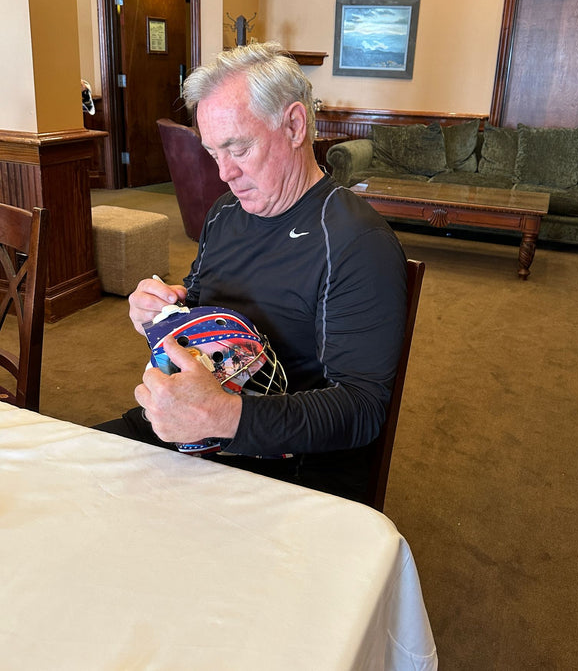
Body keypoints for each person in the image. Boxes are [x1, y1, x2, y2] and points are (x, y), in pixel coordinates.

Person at [96, 41, 408, 502]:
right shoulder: (225, 213)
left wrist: (224, 417)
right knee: (59, 476)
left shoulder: (356, 243)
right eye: (212, 152)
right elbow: (199, 302)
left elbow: (361, 410)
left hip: (287, 469)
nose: (224, 173)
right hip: (192, 429)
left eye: (239, 148)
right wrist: (160, 312)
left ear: (295, 125)